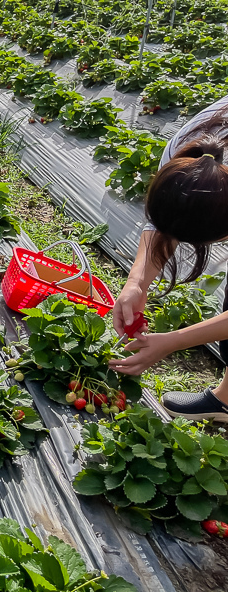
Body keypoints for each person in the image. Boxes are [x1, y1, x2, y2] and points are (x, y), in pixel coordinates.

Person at [109, 95, 228, 423]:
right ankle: (226, 401)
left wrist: (173, 341)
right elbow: (163, 225)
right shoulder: (188, 147)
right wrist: (137, 282)